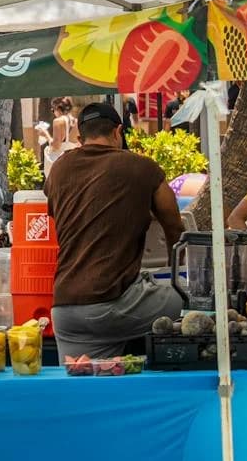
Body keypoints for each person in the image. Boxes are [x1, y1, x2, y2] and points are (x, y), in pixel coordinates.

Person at [46, 102, 186, 360]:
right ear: (118, 132)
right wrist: (181, 279)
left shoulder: (57, 170)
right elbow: (175, 229)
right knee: (193, 305)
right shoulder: (142, 167)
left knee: (86, 385)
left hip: (65, 311)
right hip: (115, 304)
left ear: (80, 138)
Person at [43, 96, 78, 171]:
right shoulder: (77, 122)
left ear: (58, 109)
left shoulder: (58, 121)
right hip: (74, 161)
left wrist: (46, 135)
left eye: (53, 110)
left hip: (61, 164)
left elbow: (56, 146)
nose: (54, 113)